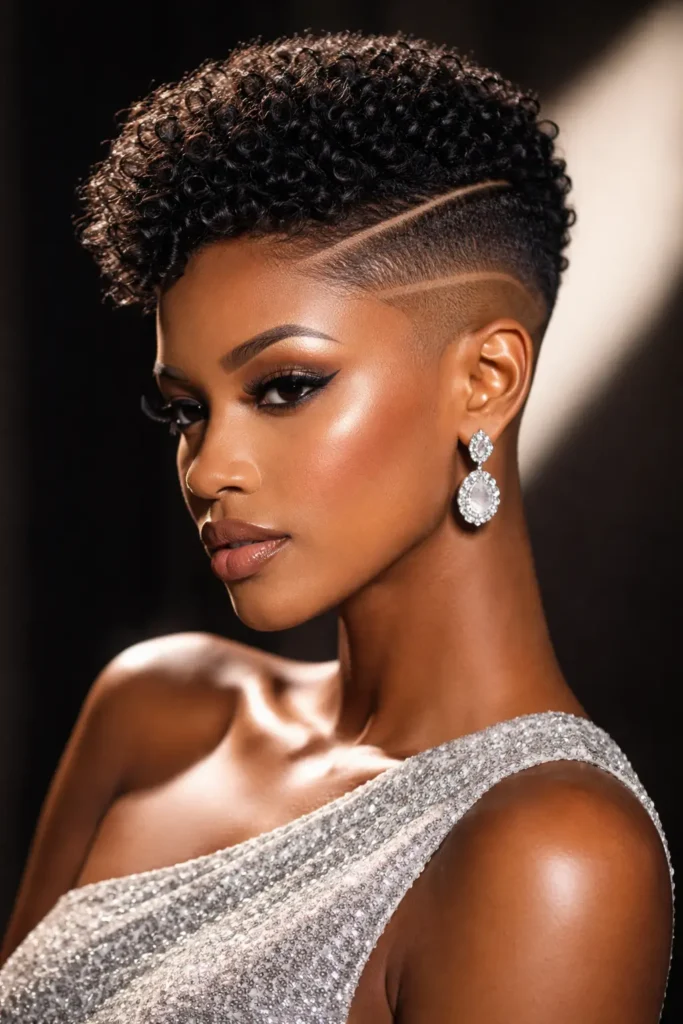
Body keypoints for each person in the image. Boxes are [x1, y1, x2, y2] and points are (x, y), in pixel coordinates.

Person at [0, 29, 674, 1024]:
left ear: (484, 381)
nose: (208, 467)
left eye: (283, 387)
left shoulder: (551, 853)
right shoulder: (156, 712)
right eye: (185, 408)